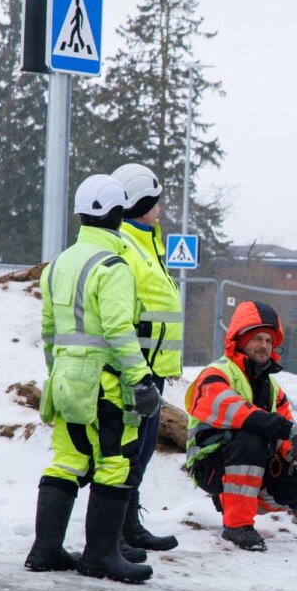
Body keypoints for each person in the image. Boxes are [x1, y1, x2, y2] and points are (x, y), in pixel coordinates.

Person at [25, 174, 161, 584]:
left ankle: (45, 548)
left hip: (67, 379)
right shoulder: (112, 266)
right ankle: (101, 556)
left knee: (67, 460)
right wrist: (141, 379)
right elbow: (120, 330)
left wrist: (57, 370)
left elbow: (49, 330)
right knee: (116, 462)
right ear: (118, 214)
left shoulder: (60, 263)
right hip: (105, 382)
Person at [184, 301, 297, 552]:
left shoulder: (273, 387)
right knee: (251, 438)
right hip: (210, 465)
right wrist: (275, 426)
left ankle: (236, 501)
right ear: (239, 340)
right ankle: (237, 525)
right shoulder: (217, 372)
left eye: (269, 341)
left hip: (250, 464)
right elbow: (226, 406)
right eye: (257, 338)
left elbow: (286, 424)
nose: (264, 346)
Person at [112, 163, 182, 553]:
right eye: (156, 201)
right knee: (129, 450)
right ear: (143, 202)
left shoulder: (147, 240)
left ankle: (129, 524)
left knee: (141, 447)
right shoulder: (127, 242)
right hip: (136, 366)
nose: (160, 208)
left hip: (154, 366)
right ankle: (117, 533)